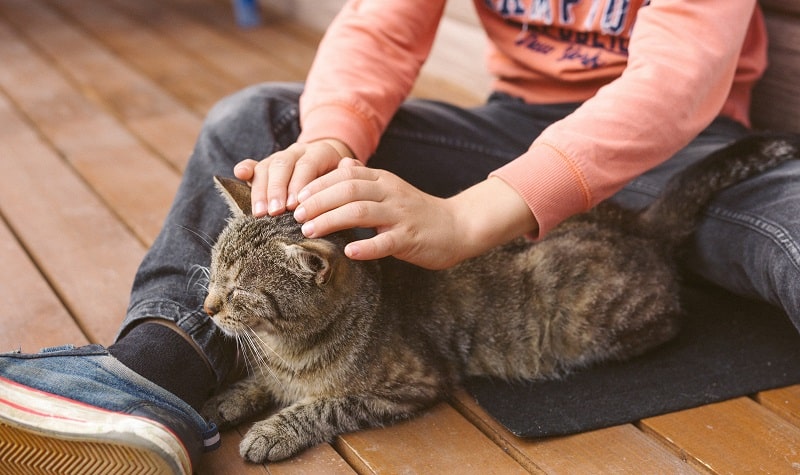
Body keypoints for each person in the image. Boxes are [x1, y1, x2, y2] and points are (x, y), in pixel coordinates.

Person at [2, 0, 797, 473]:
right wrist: (330, 140)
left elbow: (677, 85)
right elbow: (378, 30)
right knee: (255, 120)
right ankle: (159, 369)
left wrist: (476, 215)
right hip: (510, 125)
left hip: (678, 147)